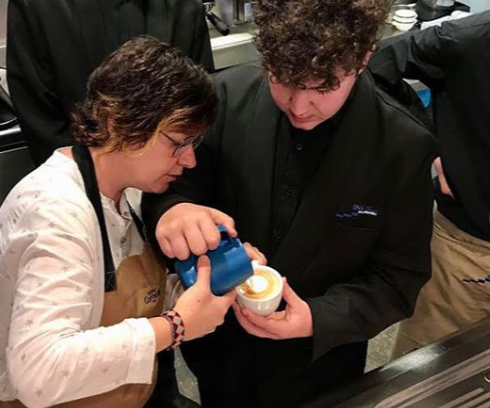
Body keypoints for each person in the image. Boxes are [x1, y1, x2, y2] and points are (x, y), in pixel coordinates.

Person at [142, 0, 438, 406]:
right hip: (219, 352)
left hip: (320, 367)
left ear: (364, 58)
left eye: (323, 87)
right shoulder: (223, 98)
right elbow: (170, 189)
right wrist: (173, 210)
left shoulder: (403, 147)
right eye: (282, 79)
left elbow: (398, 279)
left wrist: (318, 318)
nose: (299, 106)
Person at [0, 37, 241, 408]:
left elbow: (126, 300)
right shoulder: (56, 211)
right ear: (119, 124)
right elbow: (38, 371)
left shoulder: (128, 191)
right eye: (178, 142)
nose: (190, 160)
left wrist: (213, 280)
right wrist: (176, 326)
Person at [368, 11, 490, 358]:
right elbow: (376, 67)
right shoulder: (468, 41)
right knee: (432, 362)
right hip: (470, 253)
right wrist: (431, 144)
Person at [7, 0, 214, 166]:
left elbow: (200, 113)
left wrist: (172, 195)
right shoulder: (36, 6)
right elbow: (39, 117)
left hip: (170, 183)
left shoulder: (183, 7)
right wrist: (91, 180)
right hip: (82, 185)